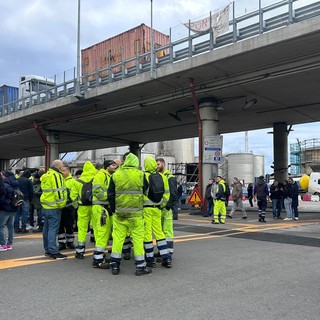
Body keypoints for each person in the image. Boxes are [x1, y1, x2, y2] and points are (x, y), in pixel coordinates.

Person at [108, 152, 152, 276]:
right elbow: (146, 190)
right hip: (136, 214)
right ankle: (140, 267)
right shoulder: (140, 174)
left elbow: (110, 194)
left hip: (120, 213)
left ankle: (115, 265)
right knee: (138, 240)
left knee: (118, 239)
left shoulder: (116, 175)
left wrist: (114, 209)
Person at [143, 157, 172, 268]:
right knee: (159, 233)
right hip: (157, 209)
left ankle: (150, 260)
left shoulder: (143, 176)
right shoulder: (162, 177)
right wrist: (162, 205)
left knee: (147, 234)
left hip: (146, 209)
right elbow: (166, 194)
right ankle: (166, 258)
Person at [91, 159, 118, 269]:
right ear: (107, 166)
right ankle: (98, 260)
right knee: (102, 233)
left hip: (104, 208)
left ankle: (99, 256)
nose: (115, 167)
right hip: (101, 208)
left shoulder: (109, 176)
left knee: (104, 233)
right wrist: (109, 198)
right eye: (113, 165)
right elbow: (96, 191)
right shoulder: (100, 175)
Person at [40, 160, 68, 260]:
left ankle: (48, 250)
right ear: (59, 167)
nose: (63, 167)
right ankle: (54, 252)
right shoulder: (56, 175)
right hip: (54, 206)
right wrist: (62, 204)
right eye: (62, 166)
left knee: (46, 229)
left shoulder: (47, 175)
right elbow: (59, 192)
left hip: (46, 205)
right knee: (53, 229)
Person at [74, 161, 98, 259]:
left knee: (82, 228)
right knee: (97, 227)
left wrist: (76, 206)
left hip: (82, 207)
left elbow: (73, 196)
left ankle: (80, 250)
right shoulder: (97, 178)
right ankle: (98, 249)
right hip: (95, 206)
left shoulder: (78, 181)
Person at [156, 157, 178, 257]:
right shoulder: (159, 177)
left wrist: (167, 207)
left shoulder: (170, 177)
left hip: (166, 209)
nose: (157, 166)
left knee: (167, 232)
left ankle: (168, 253)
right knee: (160, 232)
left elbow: (173, 194)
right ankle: (162, 252)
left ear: (163, 164)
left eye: (158, 164)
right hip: (160, 209)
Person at [58, 165, 77, 250]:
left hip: (69, 207)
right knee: (60, 226)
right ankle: (61, 243)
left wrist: (73, 205)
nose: (62, 172)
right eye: (61, 170)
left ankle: (70, 242)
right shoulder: (58, 180)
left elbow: (75, 194)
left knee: (69, 225)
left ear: (69, 171)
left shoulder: (73, 181)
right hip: (60, 207)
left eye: (64, 170)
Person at [0, 171, 19, 251]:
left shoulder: (5, 185)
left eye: (2, 175)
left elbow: (3, 197)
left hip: (5, 208)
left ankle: (2, 244)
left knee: (1, 226)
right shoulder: (16, 183)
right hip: (14, 207)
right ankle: (9, 244)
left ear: (5, 176)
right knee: (10, 226)